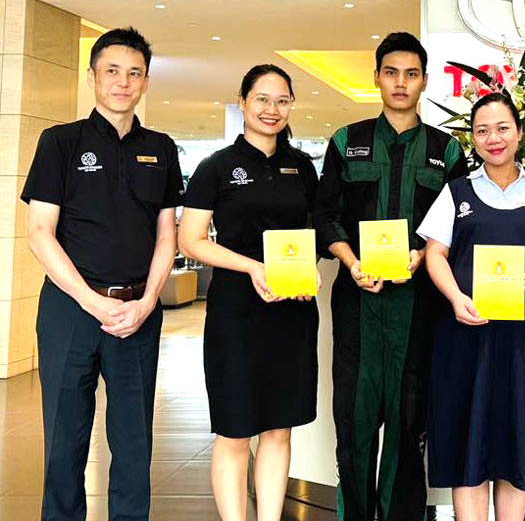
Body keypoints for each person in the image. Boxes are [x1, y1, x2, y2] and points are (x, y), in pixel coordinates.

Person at [22, 27, 184, 521]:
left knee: (134, 441)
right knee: (65, 439)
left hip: (138, 312)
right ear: (92, 76)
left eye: (134, 73)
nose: (123, 82)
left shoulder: (161, 147)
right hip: (71, 310)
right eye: (112, 71)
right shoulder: (60, 142)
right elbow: (40, 233)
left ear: (146, 83)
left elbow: (166, 235)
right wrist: (94, 302)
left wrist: (148, 300)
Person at [313, 31, 468, 521]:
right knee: (354, 426)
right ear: (377, 76)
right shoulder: (347, 142)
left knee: (407, 423)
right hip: (358, 305)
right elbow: (325, 215)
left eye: (412, 73)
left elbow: (457, 223)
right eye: (391, 72)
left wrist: (423, 254)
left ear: (424, 81)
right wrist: (351, 261)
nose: (401, 83)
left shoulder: (447, 151)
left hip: (419, 308)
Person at [178, 64, 319, 521]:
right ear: (242, 102)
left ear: (291, 106)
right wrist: (253, 268)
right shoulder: (215, 167)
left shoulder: (301, 166)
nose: (271, 110)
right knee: (235, 431)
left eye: (282, 100)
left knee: (279, 428)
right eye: (262, 99)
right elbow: (191, 240)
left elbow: (314, 231)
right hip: (236, 313)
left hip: (292, 312)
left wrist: (307, 270)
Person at [417, 92, 525, 521]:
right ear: (473, 139)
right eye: (482, 131)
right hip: (467, 333)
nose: (493, 138)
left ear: (519, 133)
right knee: (469, 439)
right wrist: (455, 298)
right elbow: (434, 254)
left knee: (518, 438)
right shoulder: (456, 191)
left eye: (502, 128)